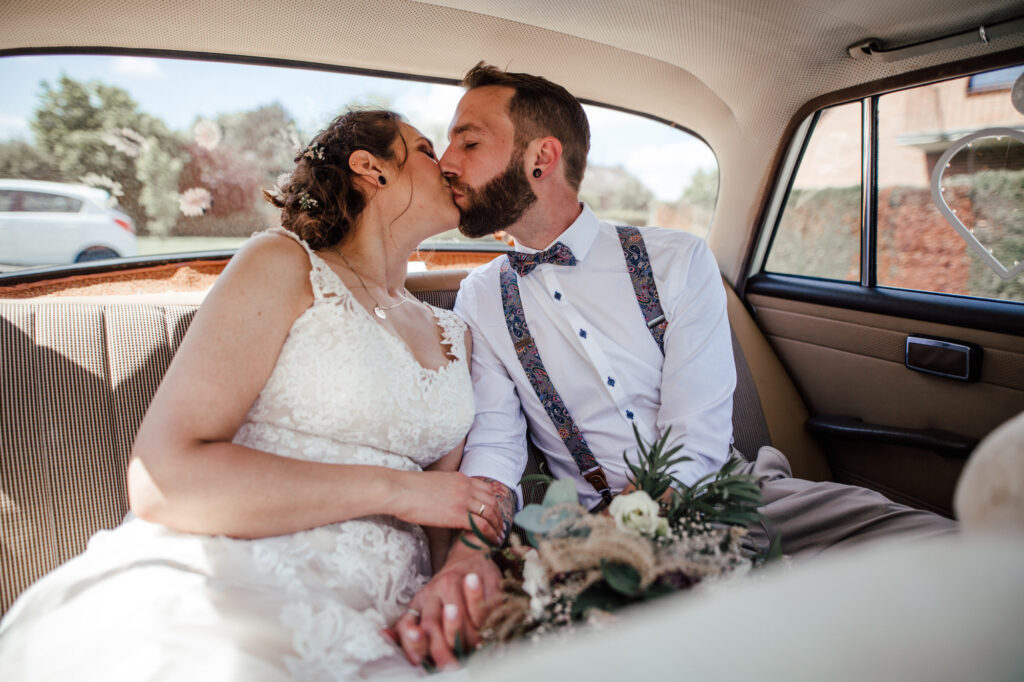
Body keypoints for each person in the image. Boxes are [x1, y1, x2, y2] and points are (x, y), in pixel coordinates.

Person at [389, 63, 958, 668]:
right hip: (588, 532)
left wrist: (647, 516)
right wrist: (472, 551)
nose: (447, 161)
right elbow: (497, 443)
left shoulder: (676, 259)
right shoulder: (482, 295)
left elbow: (699, 431)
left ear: (541, 157)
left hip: (741, 496)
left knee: (955, 552)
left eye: (469, 141)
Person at [0, 109, 504, 680]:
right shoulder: (282, 263)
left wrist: (454, 591)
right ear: (371, 168)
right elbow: (165, 479)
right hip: (234, 572)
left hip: (386, 613)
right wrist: (399, 490)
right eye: (426, 150)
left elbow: (447, 506)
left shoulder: (454, 332)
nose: (450, 167)